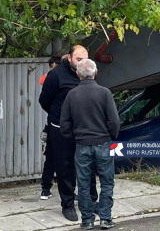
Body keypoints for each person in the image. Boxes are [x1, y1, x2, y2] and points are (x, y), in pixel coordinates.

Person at [60, 59, 120, 230]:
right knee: (107, 182)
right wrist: (111, 136)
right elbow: (114, 121)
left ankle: (87, 220)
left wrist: (75, 137)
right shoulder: (105, 93)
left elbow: (64, 125)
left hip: (82, 144)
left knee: (84, 183)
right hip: (103, 142)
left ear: (78, 74)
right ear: (96, 72)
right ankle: (105, 218)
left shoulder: (72, 95)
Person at [39, 45, 97, 221]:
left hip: (84, 128)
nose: (82, 63)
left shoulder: (89, 71)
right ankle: (68, 204)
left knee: (88, 166)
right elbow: (44, 101)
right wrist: (60, 116)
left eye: (85, 59)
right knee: (65, 168)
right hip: (60, 129)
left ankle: (92, 203)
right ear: (70, 58)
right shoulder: (55, 75)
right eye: (78, 59)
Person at [39, 55, 61, 200]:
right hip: (53, 123)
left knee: (52, 158)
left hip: (53, 122)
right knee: (52, 157)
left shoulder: (54, 77)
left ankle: (46, 189)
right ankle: (46, 188)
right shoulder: (51, 78)